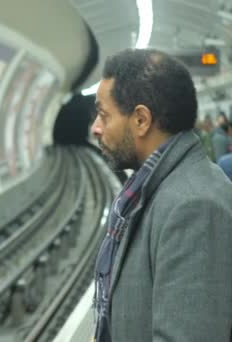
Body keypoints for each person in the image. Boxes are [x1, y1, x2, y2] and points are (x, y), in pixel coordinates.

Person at [90, 48, 232, 341]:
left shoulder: (193, 206)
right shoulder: (157, 191)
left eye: (104, 115)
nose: (96, 128)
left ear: (141, 120)